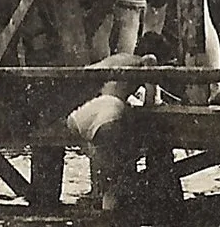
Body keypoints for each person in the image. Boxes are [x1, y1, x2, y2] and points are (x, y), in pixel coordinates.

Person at [66, 34, 164, 211]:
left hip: (84, 112)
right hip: (111, 110)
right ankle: (112, 216)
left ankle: (101, 203)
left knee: (106, 170)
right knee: (116, 178)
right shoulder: (147, 60)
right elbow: (151, 101)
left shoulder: (119, 58)